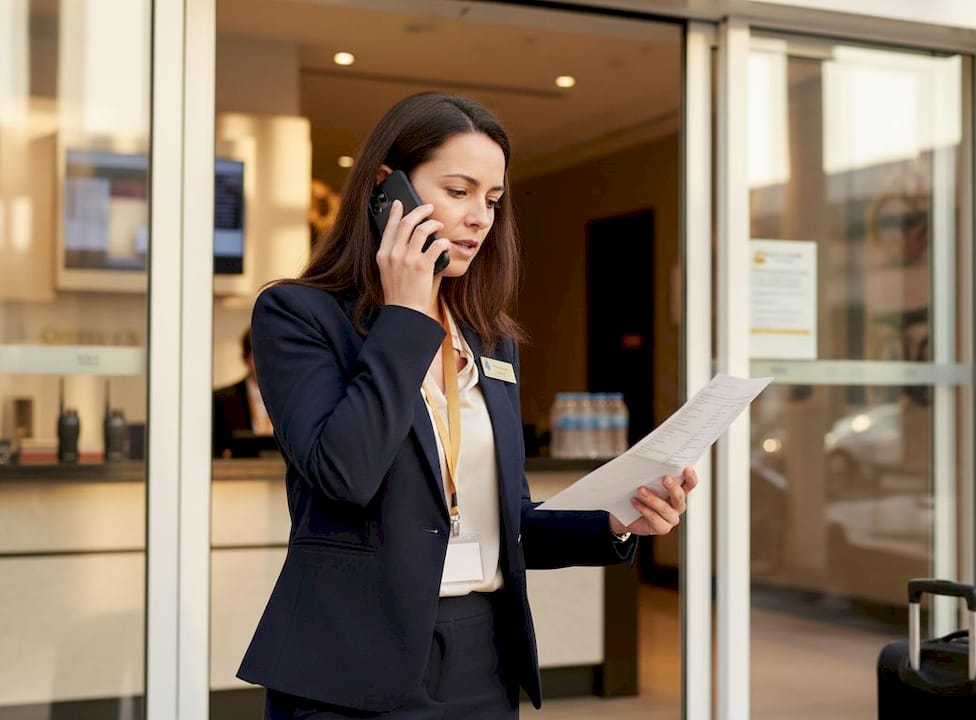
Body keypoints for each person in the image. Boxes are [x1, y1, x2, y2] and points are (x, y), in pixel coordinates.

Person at [236, 92, 698, 719]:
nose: (480, 217)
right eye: (458, 191)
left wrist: (618, 521)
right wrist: (404, 313)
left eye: (492, 200)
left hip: (482, 655)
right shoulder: (298, 316)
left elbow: (506, 521)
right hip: (349, 665)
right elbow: (345, 473)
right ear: (386, 188)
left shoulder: (487, 335)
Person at [212, 327, 273, 458]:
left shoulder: (296, 399)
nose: (267, 362)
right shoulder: (222, 401)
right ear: (245, 359)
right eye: (259, 355)